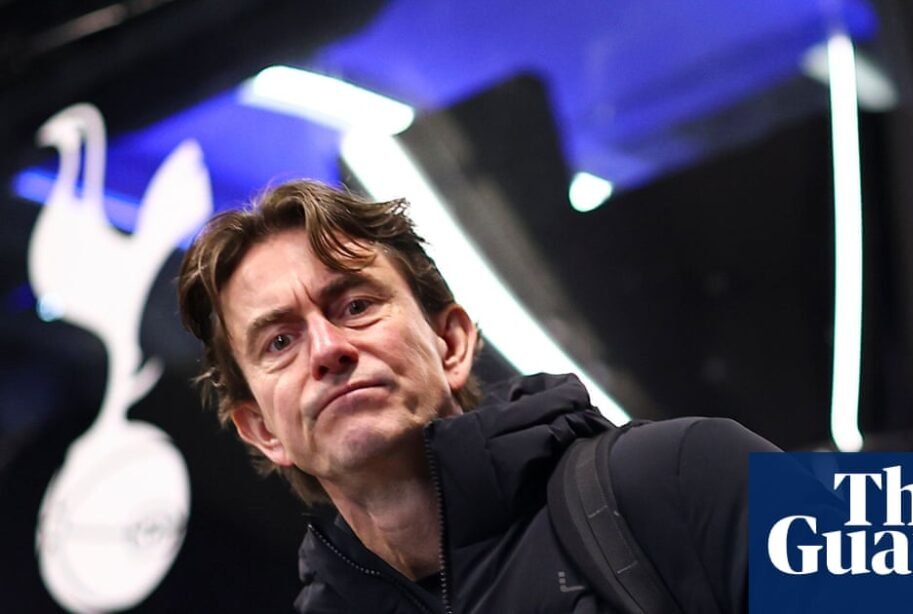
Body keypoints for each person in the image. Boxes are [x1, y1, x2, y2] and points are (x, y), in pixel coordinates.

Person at [177, 179, 779, 613]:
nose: (327, 349)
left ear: (451, 343)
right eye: (280, 341)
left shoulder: (696, 469)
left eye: (356, 305)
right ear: (262, 430)